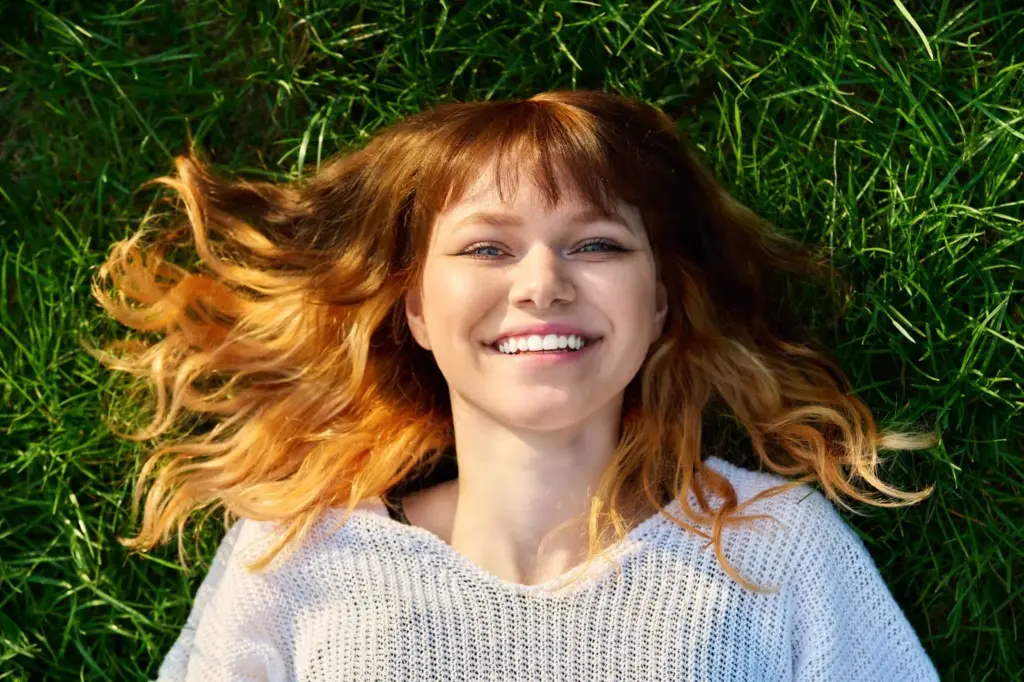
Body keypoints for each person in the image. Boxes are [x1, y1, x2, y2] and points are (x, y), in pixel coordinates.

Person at [87, 89, 940, 681]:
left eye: (597, 245)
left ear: (659, 307)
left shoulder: (774, 546)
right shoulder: (295, 555)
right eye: (488, 248)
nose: (541, 284)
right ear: (417, 309)